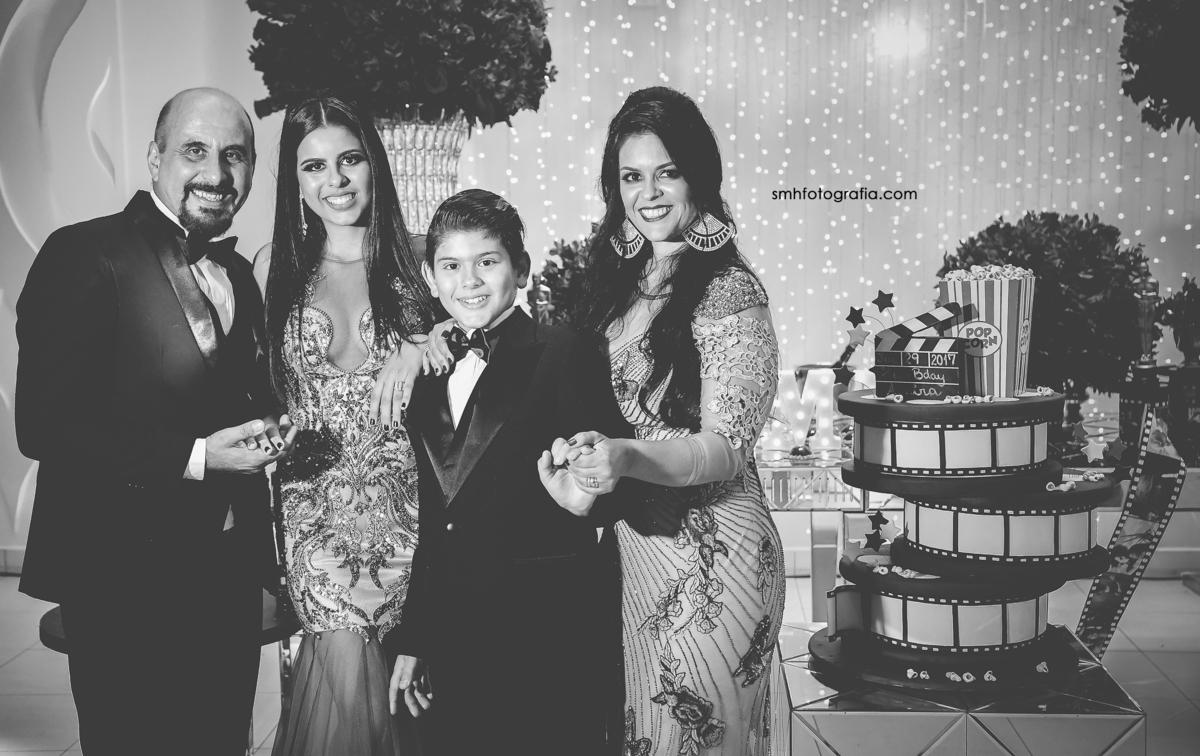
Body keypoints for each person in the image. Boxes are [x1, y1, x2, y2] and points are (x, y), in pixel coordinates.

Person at [15, 88, 295, 755]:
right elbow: (45, 424)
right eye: (195, 150)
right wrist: (198, 456)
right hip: (121, 576)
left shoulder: (239, 273)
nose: (216, 173)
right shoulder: (83, 252)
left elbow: (233, 398)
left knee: (221, 740)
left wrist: (272, 425)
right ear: (154, 158)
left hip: (227, 574)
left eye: (235, 155)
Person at [552, 86, 788, 756]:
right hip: (638, 552)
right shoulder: (617, 287)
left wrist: (628, 456)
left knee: (697, 739)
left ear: (699, 177)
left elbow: (726, 449)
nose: (648, 194)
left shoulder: (728, 290)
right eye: (631, 177)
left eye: (667, 172)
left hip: (716, 559)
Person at [386, 189, 633, 756]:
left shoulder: (565, 351)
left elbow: (622, 483)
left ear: (520, 269)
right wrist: (416, 635)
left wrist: (591, 496)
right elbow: (436, 521)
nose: (469, 281)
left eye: (487, 261)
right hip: (455, 636)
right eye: (451, 266)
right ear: (430, 278)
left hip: (547, 634)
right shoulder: (426, 372)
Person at [254, 94, 449, 756]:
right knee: (348, 698)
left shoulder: (418, 262)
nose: (335, 181)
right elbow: (255, 389)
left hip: (407, 516)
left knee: (401, 708)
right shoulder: (273, 268)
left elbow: (493, 328)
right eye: (313, 167)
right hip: (315, 520)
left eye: (350, 160)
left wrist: (425, 344)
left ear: (375, 165)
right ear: (295, 179)